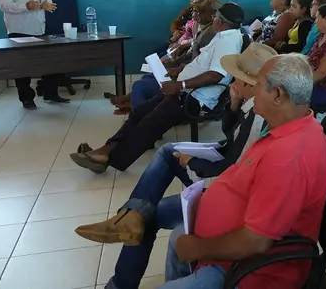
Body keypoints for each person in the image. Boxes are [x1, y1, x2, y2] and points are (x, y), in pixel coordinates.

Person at [73, 43, 278, 289]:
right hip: (225, 170)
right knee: (167, 152)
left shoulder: (260, 119)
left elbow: (231, 175)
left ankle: (130, 230)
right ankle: (131, 214)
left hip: (223, 187)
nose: (232, 79)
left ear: (249, 83)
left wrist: (193, 162)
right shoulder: (249, 107)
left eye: (237, 76)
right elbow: (232, 140)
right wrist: (234, 105)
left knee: (147, 216)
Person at [159, 54, 326, 289]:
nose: (253, 90)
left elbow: (255, 242)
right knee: (177, 237)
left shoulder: (288, 159)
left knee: (178, 240)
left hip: (251, 272)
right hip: (231, 251)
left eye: (258, 84)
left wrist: (197, 247)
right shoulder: (283, 127)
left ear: (278, 95)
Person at [69, 3, 247, 172]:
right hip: (184, 92)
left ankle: (111, 158)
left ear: (220, 22)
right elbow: (204, 63)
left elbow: (216, 75)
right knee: (139, 112)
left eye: (215, 16)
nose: (213, 19)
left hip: (195, 99)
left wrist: (180, 84)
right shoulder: (223, 36)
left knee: (149, 123)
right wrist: (180, 69)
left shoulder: (229, 42)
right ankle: (106, 149)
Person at [110, 0, 221, 114]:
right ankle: (135, 104)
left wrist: (178, 66)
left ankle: (137, 113)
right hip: (184, 70)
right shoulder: (202, 28)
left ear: (210, 16)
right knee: (147, 77)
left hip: (187, 78)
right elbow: (192, 54)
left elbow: (198, 61)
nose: (194, 15)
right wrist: (175, 63)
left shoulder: (210, 34)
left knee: (140, 86)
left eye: (198, 12)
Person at [0, 0, 66, 109]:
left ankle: (51, 93)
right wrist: (26, 6)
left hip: (40, 26)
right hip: (19, 29)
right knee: (22, 66)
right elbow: (5, 5)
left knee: (50, 61)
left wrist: (46, 1)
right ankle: (27, 99)